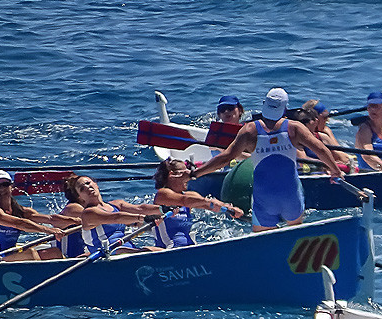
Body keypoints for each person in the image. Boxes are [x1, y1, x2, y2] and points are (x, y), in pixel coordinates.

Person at [193, 88, 343, 232]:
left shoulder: (249, 130)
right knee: (294, 238)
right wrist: (335, 171)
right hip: (292, 198)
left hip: (264, 201)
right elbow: (322, 150)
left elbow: (225, 158)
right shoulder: (295, 128)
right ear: (285, 108)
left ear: (264, 103)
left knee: (264, 241)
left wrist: (194, 174)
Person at [59, 176, 162, 257]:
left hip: (126, 249)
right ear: (80, 197)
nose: (87, 187)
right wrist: (143, 218)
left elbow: (141, 208)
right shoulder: (88, 213)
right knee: (143, 253)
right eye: (82, 188)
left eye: (88, 183)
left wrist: (163, 209)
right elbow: (115, 217)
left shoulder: (116, 204)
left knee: (159, 251)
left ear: (96, 184)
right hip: (106, 253)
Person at [151, 158, 244, 248]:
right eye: (185, 172)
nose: (189, 177)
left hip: (190, 247)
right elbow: (184, 200)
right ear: (172, 175)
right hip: (169, 249)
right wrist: (209, 201)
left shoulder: (191, 195)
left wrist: (229, 208)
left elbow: (207, 204)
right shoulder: (162, 194)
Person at [0, 171, 79, 261]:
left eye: (5, 184)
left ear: (12, 186)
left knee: (54, 252)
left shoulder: (21, 211)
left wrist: (76, 220)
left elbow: (51, 218)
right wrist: (49, 230)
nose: (2, 189)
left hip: (9, 253)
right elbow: (18, 223)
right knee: (30, 253)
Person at [301, 100, 356, 171]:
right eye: (324, 117)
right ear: (316, 119)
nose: (327, 120)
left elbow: (340, 153)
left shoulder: (326, 131)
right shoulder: (299, 134)